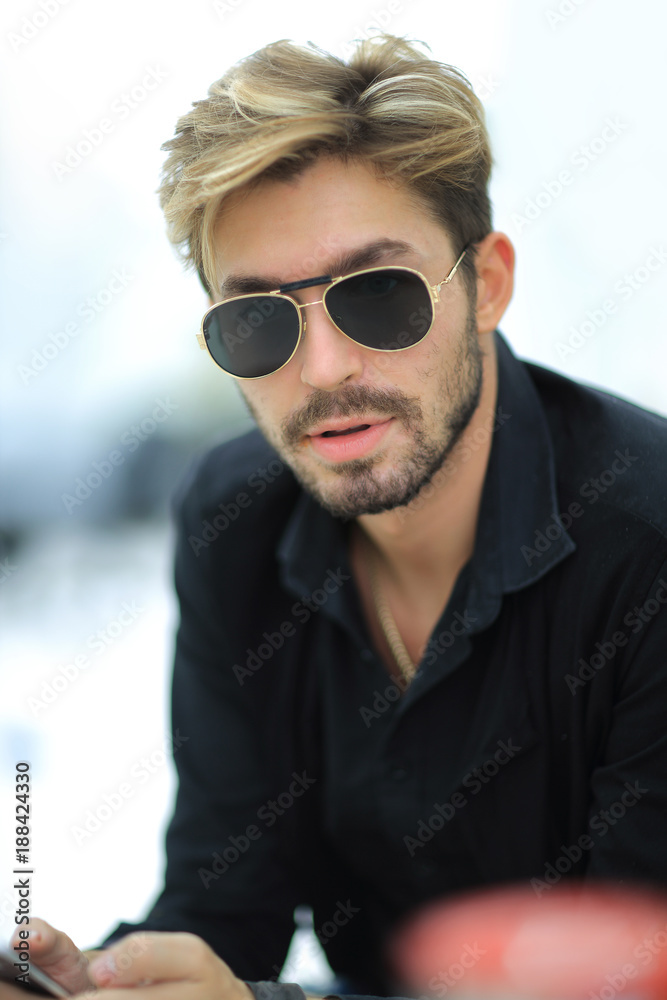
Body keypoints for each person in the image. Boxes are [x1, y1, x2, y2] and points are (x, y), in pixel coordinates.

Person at [6, 33, 667, 1000]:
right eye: (258, 322)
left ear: (485, 284)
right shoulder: (232, 521)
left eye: (380, 297)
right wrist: (94, 984)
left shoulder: (646, 543)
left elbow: (624, 977)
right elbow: (226, 907)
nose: (322, 371)